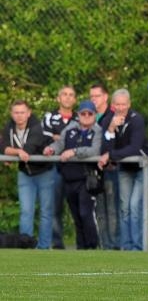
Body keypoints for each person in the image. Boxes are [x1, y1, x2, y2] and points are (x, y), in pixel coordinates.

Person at [99, 88, 148, 251]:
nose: (121, 107)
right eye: (117, 104)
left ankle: (137, 247)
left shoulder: (137, 120)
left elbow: (134, 148)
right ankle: (126, 246)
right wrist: (110, 130)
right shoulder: (107, 119)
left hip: (143, 167)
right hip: (125, 168)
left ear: (129, 104)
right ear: (112, 105)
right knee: (124, 207)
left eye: (124, 104)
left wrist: (110, 155)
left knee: (135, 206)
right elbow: (104, 147)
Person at [43, 100, 103, 249]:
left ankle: (92, 245)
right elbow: (60, 144)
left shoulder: (98, 131)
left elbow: (94, 151)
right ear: (78, 114)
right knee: (76, 215)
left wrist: (74, 152)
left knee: (85, 213)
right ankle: (81, 247)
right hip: (69, 177)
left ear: (95, 115)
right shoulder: (70, 129)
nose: (87, 116)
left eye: (90, 113)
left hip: (86, 178)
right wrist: (51, 149)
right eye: (84, 113)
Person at [1, 100, 53, 249]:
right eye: (16, 112)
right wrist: (16, 151)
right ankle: (25, 246)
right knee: (26, 211)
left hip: (44, 172)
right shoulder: (9, 128)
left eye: (22, 112)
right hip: (25, 173)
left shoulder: (37, 126)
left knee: (45, 211)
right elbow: (3, 148)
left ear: (28, 113)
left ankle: (44, 247)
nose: (19, 116)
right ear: (12, 114)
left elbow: (29, 148)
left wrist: (15, 151)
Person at [41, 85, 77, 249]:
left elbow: (80, 141)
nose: (68, 97)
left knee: (79, 208)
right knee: (54, 207)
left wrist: (58, 137)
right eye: (64, 94)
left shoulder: (80, 117)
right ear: (58, 98)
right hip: (54, 168)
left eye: (71, 95)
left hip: (76, 168)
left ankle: (84, 245)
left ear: (75, 99)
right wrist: (65, 139)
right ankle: (57, 244)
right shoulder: (49, 117)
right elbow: (46, 138)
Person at [90, 83, 120, 250]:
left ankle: (115, 245)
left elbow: (116, 142)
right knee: (100, 209)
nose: (94, 99)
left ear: (105, 97)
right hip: (96, 170)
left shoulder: (113, 115)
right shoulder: (89, 115)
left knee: (113, 208)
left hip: (112, 168)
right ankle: (104, 244)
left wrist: (108, 154)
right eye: (91, 96)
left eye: (97, 96)